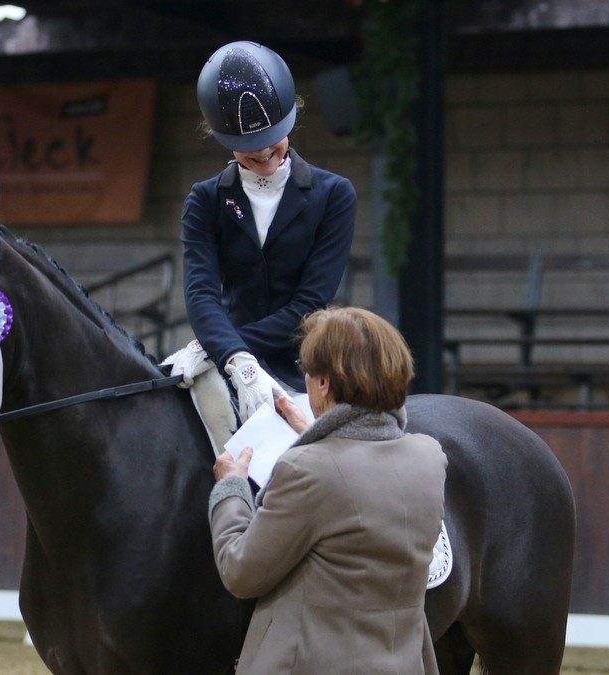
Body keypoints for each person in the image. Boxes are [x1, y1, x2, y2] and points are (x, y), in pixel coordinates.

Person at [207, 307, 447, 674]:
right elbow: (359, 482)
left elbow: (241, 572)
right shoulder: (429, 457)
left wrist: (232, 488)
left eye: (308, 373)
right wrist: (316, 435)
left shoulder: (306, 470)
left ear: (323, 384)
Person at [166, 41, 357, 422]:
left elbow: (311, 301)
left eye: (272, 137)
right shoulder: (205, 200)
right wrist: (232, 357)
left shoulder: (333, 194)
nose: (262, 152)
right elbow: (201, 292)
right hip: (228, 361)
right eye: (248, 146)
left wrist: (228, 348)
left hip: (309, 366)